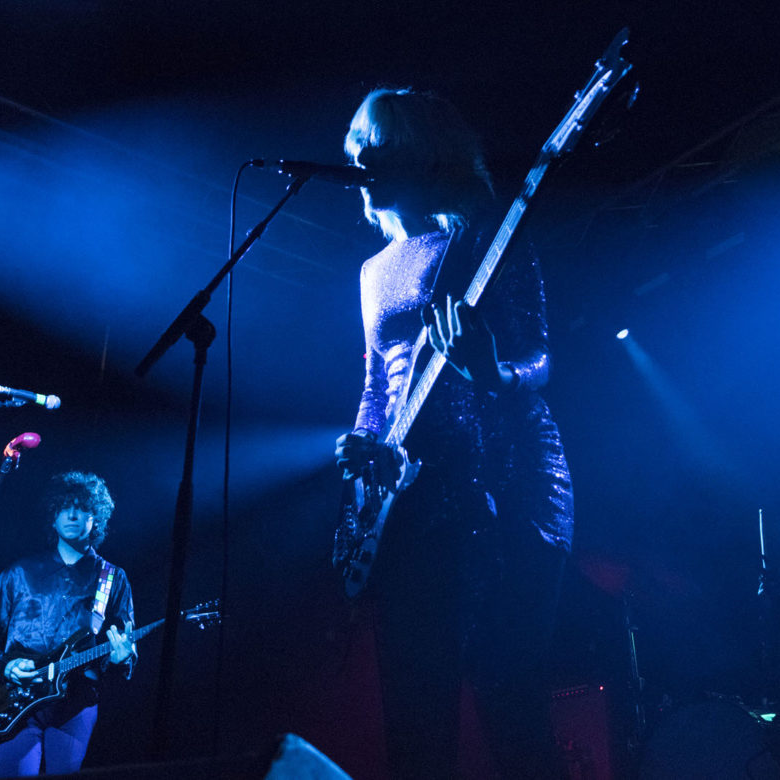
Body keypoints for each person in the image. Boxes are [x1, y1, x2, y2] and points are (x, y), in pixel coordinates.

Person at [333, 87, 574, 778]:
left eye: (374, 139)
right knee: (416, 710)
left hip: (511, 483)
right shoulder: (372, 272)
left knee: (510, 696)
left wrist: (490, 370)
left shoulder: (484, 235)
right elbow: (378, 385)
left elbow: (542, 359)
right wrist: (361, 456)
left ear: (419, 149)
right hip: (414, 505)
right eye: (354, 140)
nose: (357, 153)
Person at [0, 471, 136, 776]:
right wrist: (4, 666)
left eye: (82, 507)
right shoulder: (19, 573)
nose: (72, 513)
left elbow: (122, 643)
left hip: (76, 703)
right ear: (53, 517)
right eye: (64, 507)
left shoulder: (112, 577)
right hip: (16, 699)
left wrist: (122, 658)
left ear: (95, 519)